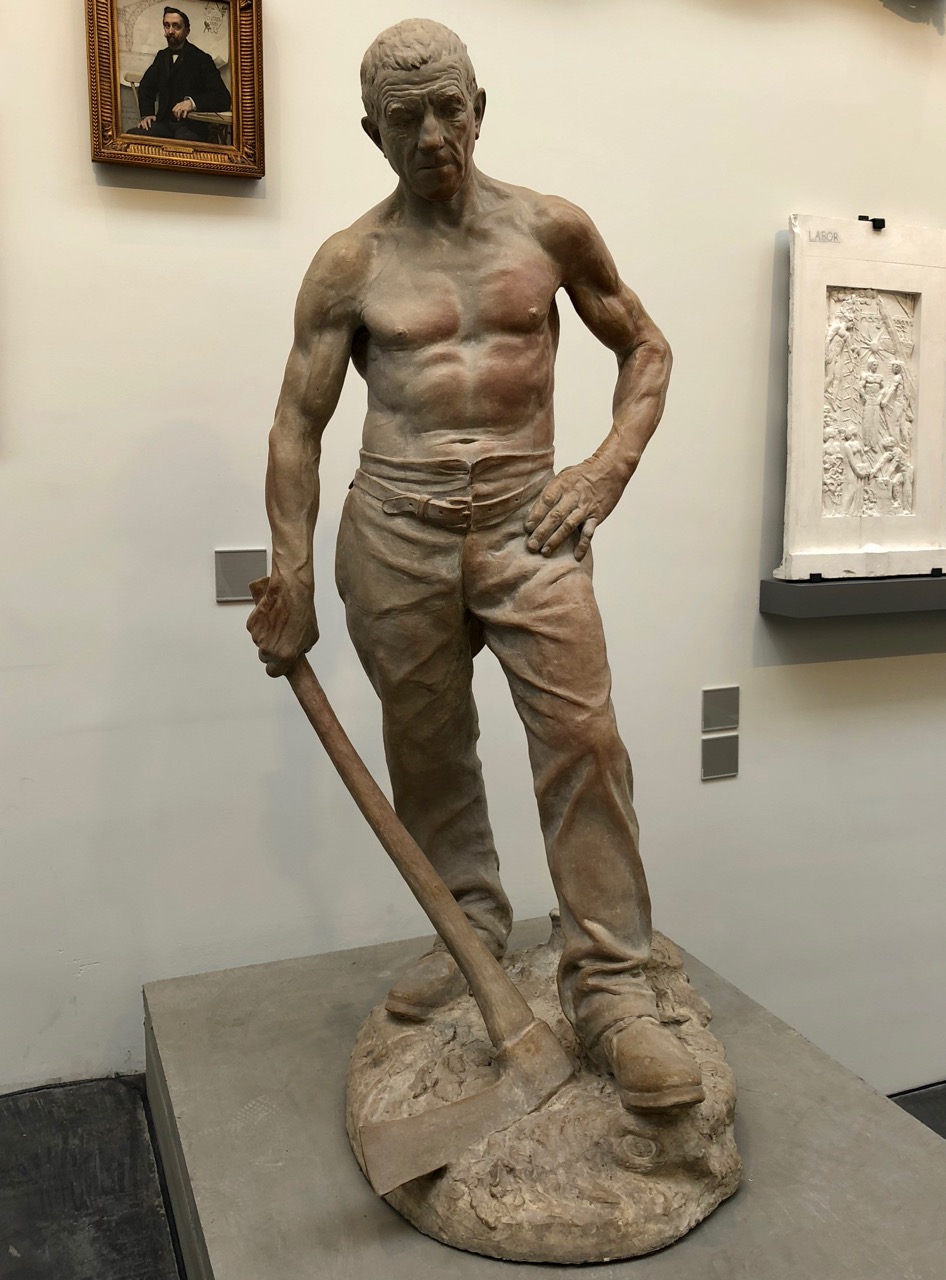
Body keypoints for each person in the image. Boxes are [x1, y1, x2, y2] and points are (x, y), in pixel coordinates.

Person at [248, 19, 703, 1112]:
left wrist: (603, 469)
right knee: (428, 742)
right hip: (393, 528)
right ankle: (470, 930)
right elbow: (298, 425)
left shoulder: (549, 228)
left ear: (480, 107)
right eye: (404, 120)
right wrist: (291, 574)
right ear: (373, 133)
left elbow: (645, 345)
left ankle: (612, 987)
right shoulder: (350, 263)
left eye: (448, 109)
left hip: (526, 524)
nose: (432, 137)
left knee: (583, 737)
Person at [127, 7, 230, 142]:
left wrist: (192, 103)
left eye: (176, 26)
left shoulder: (202, 59)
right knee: (131, 138)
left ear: (187, 31)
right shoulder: (162, 57)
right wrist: (147, 114)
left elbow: (223, 97)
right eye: (167, 26)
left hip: (191, 127)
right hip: (163, 124)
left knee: (182, 147)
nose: (170, 31)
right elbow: (146, 87)